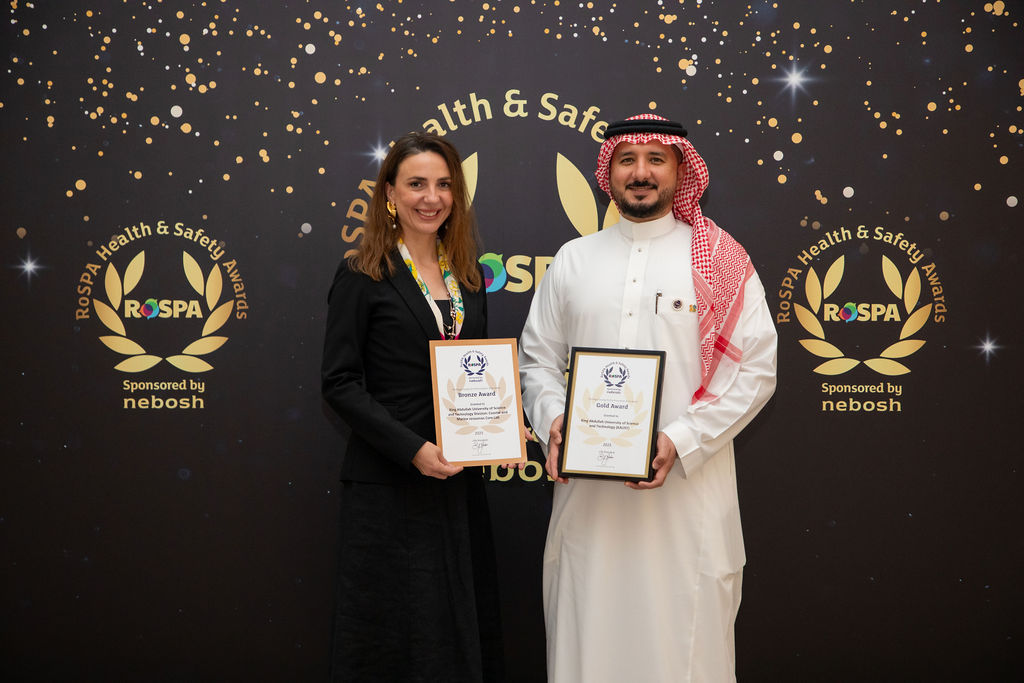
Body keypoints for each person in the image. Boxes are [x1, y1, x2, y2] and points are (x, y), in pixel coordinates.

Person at [519, 114, 778, 682]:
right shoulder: (574, 259)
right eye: (627, 160)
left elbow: (756, 371)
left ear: (680, 171)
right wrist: (555, 420)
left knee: (683, 650)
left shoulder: (722, 260)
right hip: (589, 504)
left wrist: (679, 440)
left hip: (686, 499)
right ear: (608, 172)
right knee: (589, 642)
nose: (641, 173)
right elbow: (537, 360)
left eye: (656, 160)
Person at [321, 131, 503, 682]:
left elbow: (476, 374)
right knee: (391, 635)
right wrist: (413, 449)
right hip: (389, 484)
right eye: (417, 184)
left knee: (455, 627)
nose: (432, 198)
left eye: (444, 185)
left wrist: (500, 427)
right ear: (390, 194)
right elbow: (339, 383)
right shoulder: (362, 273)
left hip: (457, 484)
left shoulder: (468, 279)